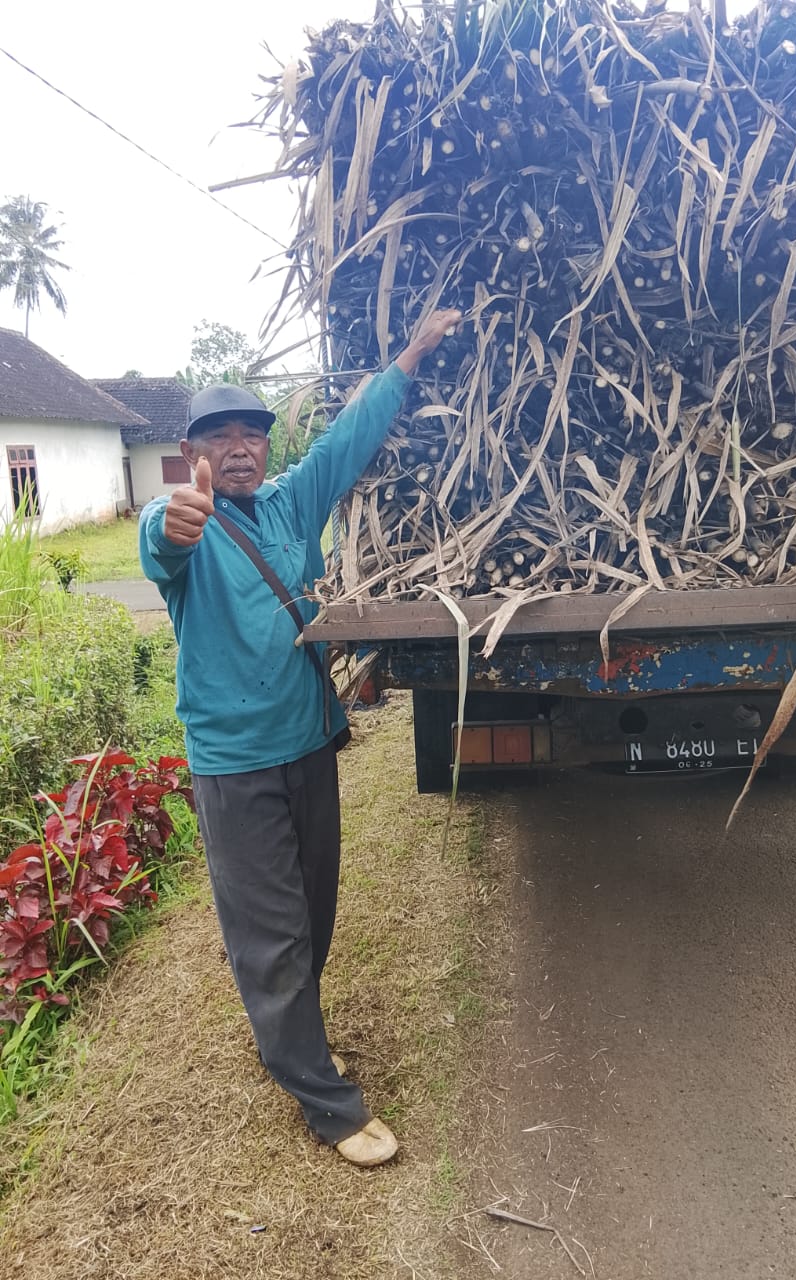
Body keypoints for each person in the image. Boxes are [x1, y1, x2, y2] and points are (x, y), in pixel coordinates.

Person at [139, 307, 462, 1167]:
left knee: (314, 908)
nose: (240, 449)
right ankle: (324, 1099)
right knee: (272, 932)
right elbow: (162, 543)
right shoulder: (184, 520)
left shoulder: (290, 503)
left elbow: (346, 441)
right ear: (191, 454)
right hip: (235, 764)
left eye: (252, 434)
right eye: (220, 438)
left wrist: (407, 358)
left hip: (308, 744)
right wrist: (174, 525)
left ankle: (291, 1035)